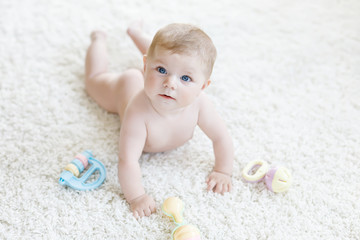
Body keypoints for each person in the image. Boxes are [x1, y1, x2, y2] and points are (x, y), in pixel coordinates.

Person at [85, 22, 234, 218]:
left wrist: (223, 171)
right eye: (161, 70)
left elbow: (221, 137)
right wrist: (137, 197)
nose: (170, 84)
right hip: (125, 87)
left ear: (203, 86)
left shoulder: (200, 104)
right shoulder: (137, 112)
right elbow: (127, 160)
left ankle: (135, 33)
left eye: (186, 78)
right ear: (146, 67)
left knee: (170, 55)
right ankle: (98, 39)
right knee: (94, 80)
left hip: (151, 74)